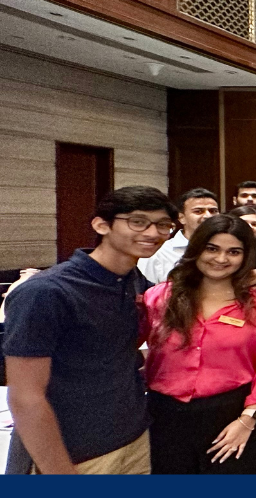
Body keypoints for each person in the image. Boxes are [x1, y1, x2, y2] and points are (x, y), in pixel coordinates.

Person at [5, 186, 176, 474]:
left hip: (133, 441)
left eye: (163, 225)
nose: (152, 233)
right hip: (73, 454)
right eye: (137, 221)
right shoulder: (46, 292)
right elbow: (25, 397)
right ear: (101, 224)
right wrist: (59, 472)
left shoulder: (133, 280)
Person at [137, 187, 220, 284]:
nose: (207, 216)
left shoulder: (227, 249)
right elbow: (147, 295)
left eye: (213, 211)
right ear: (181, 218)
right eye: (198, 211)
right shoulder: (158, 253)